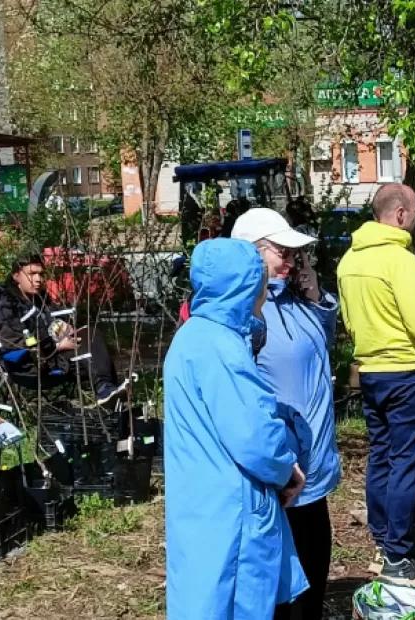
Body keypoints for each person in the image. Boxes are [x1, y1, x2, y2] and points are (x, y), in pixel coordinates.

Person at [163, 238, 308, 619]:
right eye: (259, 279)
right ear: (244, 284)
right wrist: (287, 471)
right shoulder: (223, 348)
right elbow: (254, 436)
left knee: (203, 596)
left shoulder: (193, 336)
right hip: (232, 509)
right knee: (235, 603)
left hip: (201, 501)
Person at [231, 208, 340, 620]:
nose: (292, 260)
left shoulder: (292, 298)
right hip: (284, 474)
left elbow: (320, 344)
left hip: (315, 470)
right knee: (284, 588)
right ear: (252, 254)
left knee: (314, 574)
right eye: (283, 251)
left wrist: (314, 295)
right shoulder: (247, 314)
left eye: (297, 253)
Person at [337, 183, 415, 588]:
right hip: (405, 371)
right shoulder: (401, 260)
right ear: (400, 213)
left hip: (370, 372)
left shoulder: (348, 260)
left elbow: (349, 322)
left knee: (380, 455)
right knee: (407, 462)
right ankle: (399, 556)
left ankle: (383, 541)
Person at [0, 253, 125, 405]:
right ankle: (106, 391)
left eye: (41, 274)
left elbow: (55, 319)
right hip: (31, 364)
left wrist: (65, 327)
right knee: (92, 352)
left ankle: (108, 392)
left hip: (55, 356)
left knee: (91, 334)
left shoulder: (40, 299)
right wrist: (56, 346)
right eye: (31, 274)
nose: (38, 279)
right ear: (16, 276)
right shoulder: (7, 305)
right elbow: (12, 342)